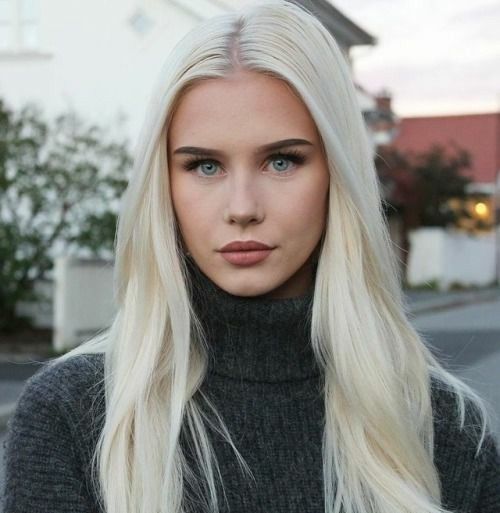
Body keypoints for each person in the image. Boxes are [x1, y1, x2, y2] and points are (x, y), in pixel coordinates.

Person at [3, 1, 499, 512]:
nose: (242, 208)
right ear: (163, 185)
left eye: (282, 161)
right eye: (204, 166)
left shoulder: (444, 428)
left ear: (338, 175)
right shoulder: (73, 417)